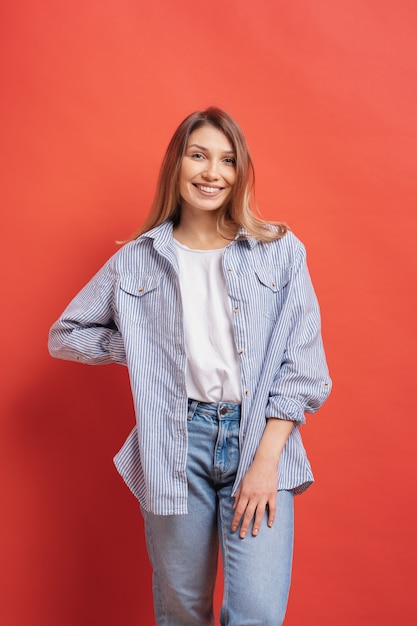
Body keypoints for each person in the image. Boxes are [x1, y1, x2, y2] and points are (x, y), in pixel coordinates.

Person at [48, 107, 332, 626]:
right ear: (176, 165)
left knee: (258, 613)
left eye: (226, 160)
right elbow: (65, 336)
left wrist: (266, 462)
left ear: (240, 172)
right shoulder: (138, 259)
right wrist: (140, 345)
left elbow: (304, 369)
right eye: (198, 155)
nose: (212, 172)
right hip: (174, 441)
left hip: (258, 440)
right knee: (182, 611)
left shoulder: (279, 251)